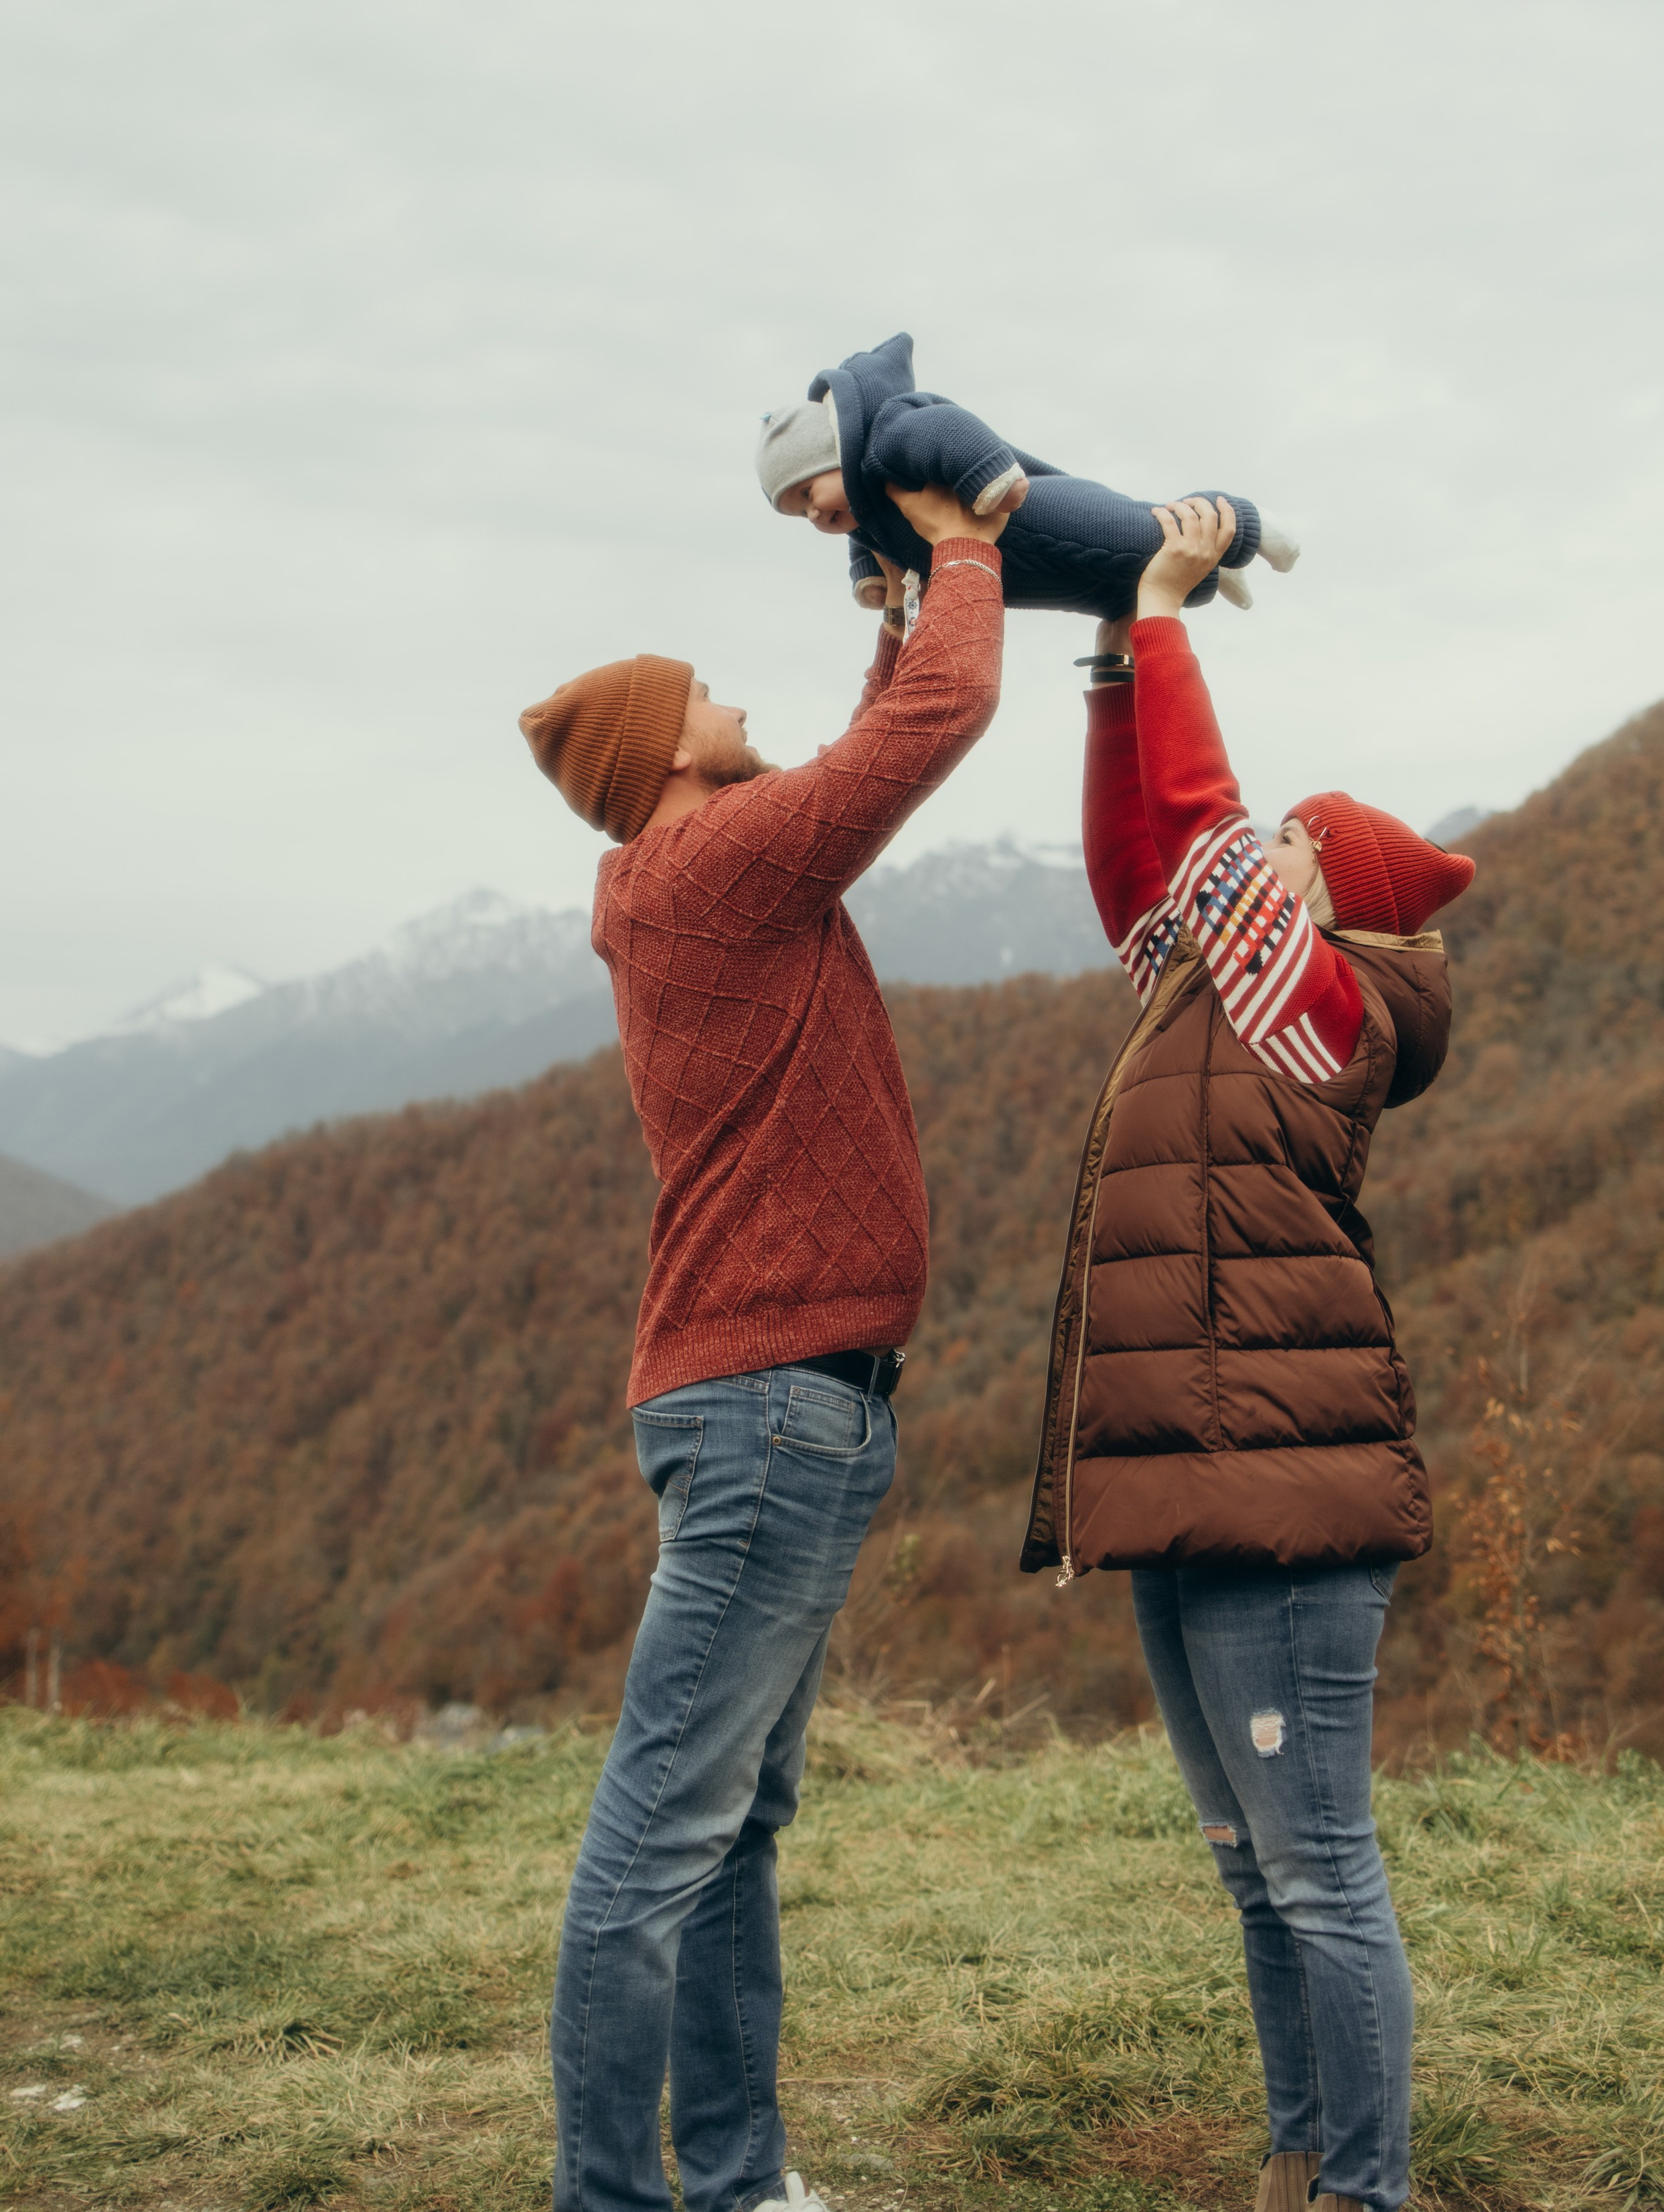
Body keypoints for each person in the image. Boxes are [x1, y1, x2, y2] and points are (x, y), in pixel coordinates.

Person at [516, 485, 1005, 2212]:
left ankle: (734, 2180)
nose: (727, 693)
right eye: (701, 689)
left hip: (775, 1403)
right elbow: (934, 722)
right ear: (661, 750)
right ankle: (616, 2196)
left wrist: (886, 604)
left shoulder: (696, 875)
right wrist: (957, 545)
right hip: (769, 1412)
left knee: (722, 1828)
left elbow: (881, 713)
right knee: (663, 1830)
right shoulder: (713, 864)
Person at [1020, 495, 1475, 2212]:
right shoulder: (1210, 984)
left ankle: (1364, 2187)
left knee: (1320, 1869)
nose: (1254, 845)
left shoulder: (1319, 1008)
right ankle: (1295, 2159)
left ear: (1327, 897)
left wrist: (1161, 609)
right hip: (1190, 1479)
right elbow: (1143, 874)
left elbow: (1201, 834)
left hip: (1279, 1498)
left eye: (1290, 841)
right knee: (1251, 1869)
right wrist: (1099, 672)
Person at [755, 327, 1298, 617]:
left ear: (835, 452)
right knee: (1110, 591)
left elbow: (944, 427)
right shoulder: (863, 518)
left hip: (1029, 508)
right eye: (798, 512)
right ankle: (1208, 571)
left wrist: (988, 473)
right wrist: (871, 579)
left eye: (807, 491)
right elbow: (865, 542)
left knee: (1133, 531)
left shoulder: (888, 437)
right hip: (1009, 568)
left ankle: (1240, 523)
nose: (814, 512)